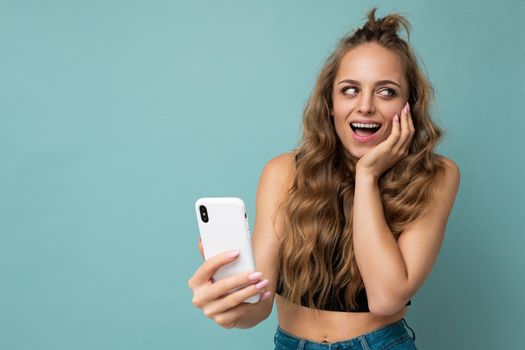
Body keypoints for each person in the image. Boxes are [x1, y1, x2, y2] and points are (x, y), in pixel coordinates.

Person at [188, 7, 460, 350]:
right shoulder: (283, 173)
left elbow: (386, 299)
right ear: (330, 102)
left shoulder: (435, 175)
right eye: (350, 89)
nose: (365, 107)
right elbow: (258, 307)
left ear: (409, 105)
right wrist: (228, 304)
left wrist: (367, 175)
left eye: (386, 91)